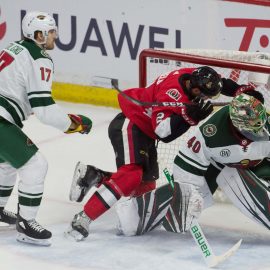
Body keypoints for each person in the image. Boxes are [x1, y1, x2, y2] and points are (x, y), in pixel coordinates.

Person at [65, 64, 231, 241]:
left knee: (144, 192)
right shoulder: (172, 92)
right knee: (131, 175)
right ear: (196, 89)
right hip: (131, 123)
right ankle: (83, 217)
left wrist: (242, 91)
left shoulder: (191, 76)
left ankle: (94, 176)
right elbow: (163, 133)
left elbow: (220, 82)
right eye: (204, 95)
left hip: (145, 132)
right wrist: (189, 118)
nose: (205, 99)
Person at [115, 89, 270, 236]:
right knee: (196, 196)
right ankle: (132, 215)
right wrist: (188, 195)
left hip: (259, 166)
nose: (257, 134)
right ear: (235, 125)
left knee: (239, 179)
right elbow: (186, 163)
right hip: (215, 167)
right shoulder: (211, 134)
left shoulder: (261, 121)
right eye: (250, 132)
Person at [0, 11, 92, 246]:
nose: (55, 37)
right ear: (39, 35)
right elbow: (44, 111)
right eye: (51, 32)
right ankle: (26, 225)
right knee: (35, 165)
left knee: (9, 163)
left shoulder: (14, 47)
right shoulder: (40, 57)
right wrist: (74, 124)